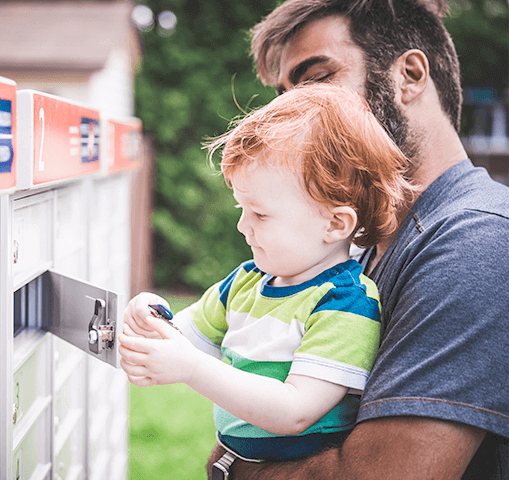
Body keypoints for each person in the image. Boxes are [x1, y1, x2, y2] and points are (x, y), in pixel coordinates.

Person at [201, 0, 509, 477]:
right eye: (283, 96)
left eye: (316, 80)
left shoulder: (477, 243)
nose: (293, 111)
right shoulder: (353, 249)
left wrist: (230, 465)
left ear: (409, 75)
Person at [118, 83, 417, 470]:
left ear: (335, 223)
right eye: (242, 208)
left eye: (260, 214)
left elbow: (295, 410)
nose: (243, 226)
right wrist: (152, 314)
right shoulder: (246, 282)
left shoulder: (345, 304)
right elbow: (179, 338)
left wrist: (190, 368)